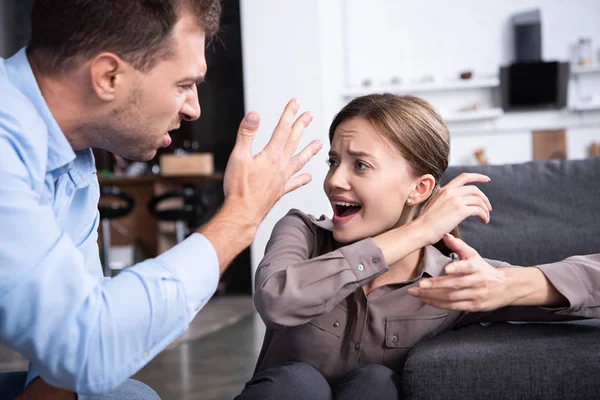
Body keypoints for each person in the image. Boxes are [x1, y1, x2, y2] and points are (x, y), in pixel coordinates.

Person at [0, 1, 322, 399]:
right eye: (184, 85)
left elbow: (66, 353)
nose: (194, 109)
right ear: (108, 76)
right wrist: (242, 215)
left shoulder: (74, 160)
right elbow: (87, 344)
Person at [235, 94, 600, 400]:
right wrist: (419, 230)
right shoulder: (301, 230)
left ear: (420, 188)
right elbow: (277, 300)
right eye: (334, 161)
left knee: (376, 384)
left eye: (360, 165)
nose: (334, 180)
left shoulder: (451, 281)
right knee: (298, 383)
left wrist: (509, 286)